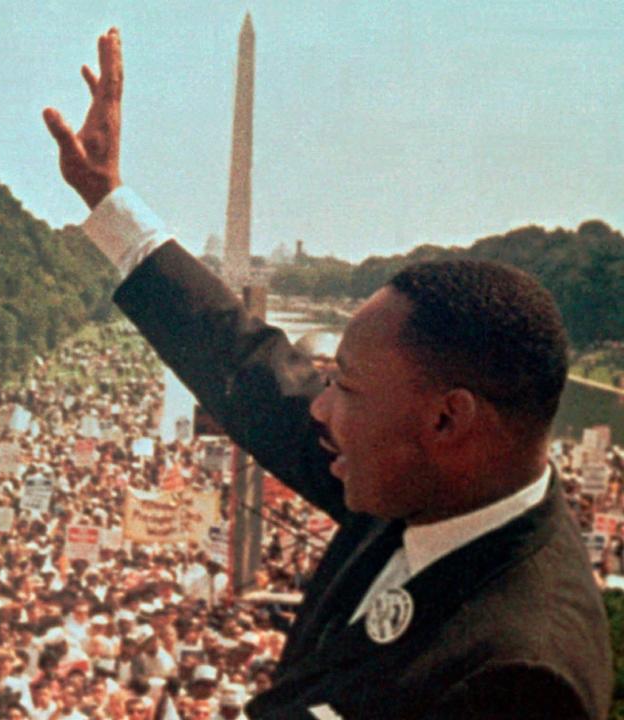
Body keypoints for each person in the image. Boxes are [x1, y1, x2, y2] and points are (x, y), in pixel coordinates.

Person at [44, 27, 613, 719]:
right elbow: (249, 365)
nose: (317, 407)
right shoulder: (428, 484)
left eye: (345, 385)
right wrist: (109, 202)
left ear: (446, 419)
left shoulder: (520, 676)